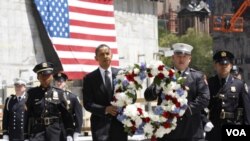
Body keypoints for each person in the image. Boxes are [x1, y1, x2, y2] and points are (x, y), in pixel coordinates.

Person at [144, 43, 210, 141]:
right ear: (173, 57)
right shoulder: (164, 75)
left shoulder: (197, 76)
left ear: (190, 59)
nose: (181, 59)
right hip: (168, 132)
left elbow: (204, 98)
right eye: (178, 56)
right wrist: (158, 85)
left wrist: (185, 109)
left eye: (185, 56)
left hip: (191, 131)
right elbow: (148, 96)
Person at [82, 44, 127, 141]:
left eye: (107, 53)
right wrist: (105, 109)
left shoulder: (122, 74)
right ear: (96, 58)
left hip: (120, 125)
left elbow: (132, 96)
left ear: (112, 56)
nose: (105, 56)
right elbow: (87, 104)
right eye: (102, 54)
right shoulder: (89, 79)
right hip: (100, 126)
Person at [206, 51, 250, 141]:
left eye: (226, 65)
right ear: (215, 66)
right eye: (220, 64)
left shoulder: (239, 85)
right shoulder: (209, 83)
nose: (223, 67)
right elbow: (203, 106)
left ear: (231, 66)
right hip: (214, 128)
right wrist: (205, 122)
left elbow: (247, 111)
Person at [24, 62, 74, 141]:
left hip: (55, 133)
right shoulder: (32, 93)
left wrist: (69, 133)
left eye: (48, 75)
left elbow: (67, 115)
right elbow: (26, 115)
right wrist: (25, 135)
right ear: (38, 77)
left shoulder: (60, 93)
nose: (46, 78)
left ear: (51, 77)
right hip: (37, 133)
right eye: (43, 76)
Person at [53, 72, 83, 140]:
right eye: (57, 81)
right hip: (53, 130)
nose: (59, 83)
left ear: (65, 82)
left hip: (67, 129)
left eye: (61, 81)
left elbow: (79, 116)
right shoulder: (49, 96)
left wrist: (77, 131)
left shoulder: (72, 97)